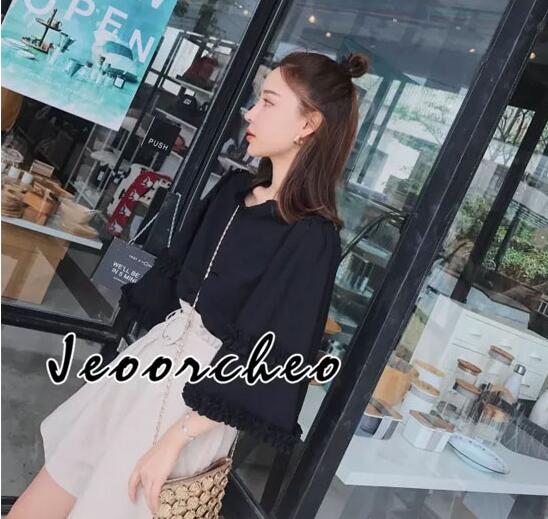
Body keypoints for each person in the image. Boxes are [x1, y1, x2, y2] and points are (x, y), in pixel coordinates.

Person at [8, 50, 368, 519]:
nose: (250, 113)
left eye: (269, 102)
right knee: (51, 490)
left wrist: (175, 441)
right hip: (149, 363)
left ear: (309, 124)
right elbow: (175, 276)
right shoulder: (232, 192)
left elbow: (273, 357)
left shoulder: (311, 239)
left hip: (198, 409)